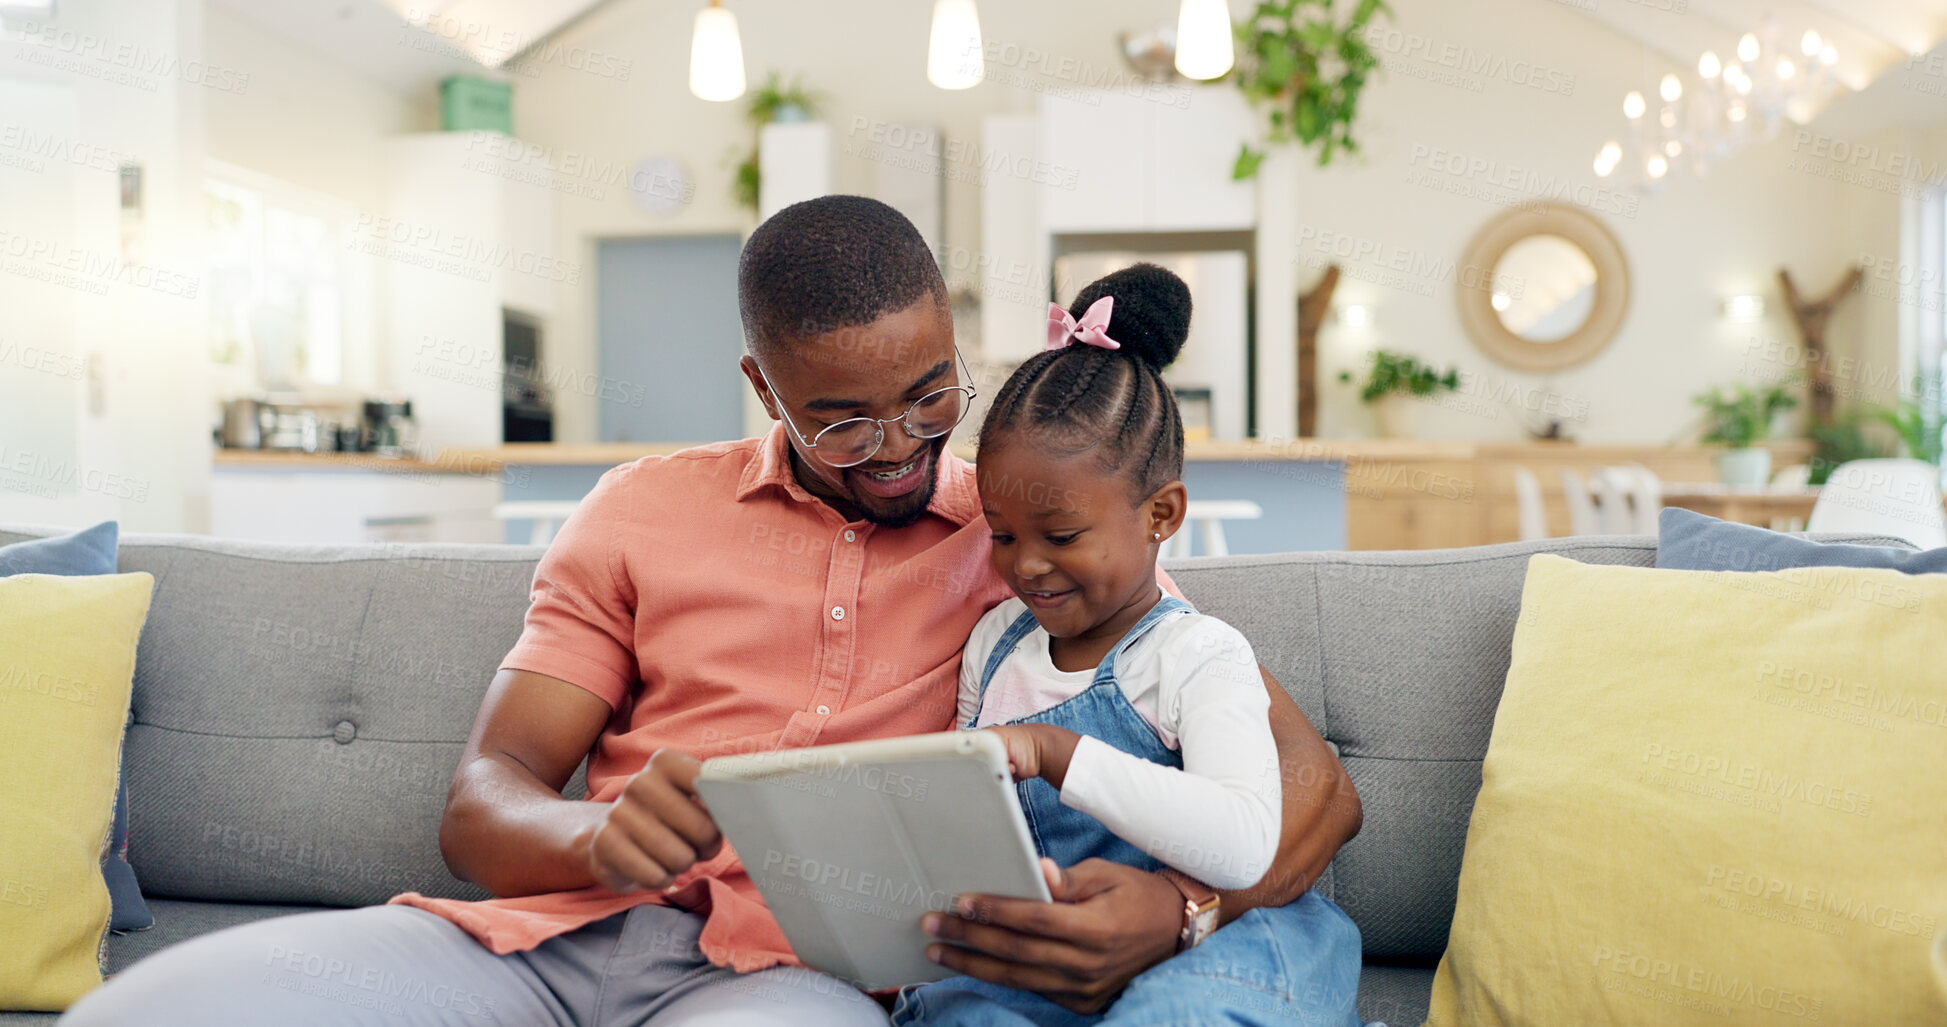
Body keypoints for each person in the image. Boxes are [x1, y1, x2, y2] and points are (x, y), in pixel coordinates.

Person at [59, 197, 1360, 1027]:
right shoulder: (638, 508)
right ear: (762, 384)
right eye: (841, 418)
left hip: (793, 980)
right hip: (544, 941)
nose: (899, 448)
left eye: (928, 395)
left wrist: (1187, 913)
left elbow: (1304, 788)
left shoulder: (1027, 529)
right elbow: (484, 799)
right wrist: (590, 832)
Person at [891, 264, 1364, 1026]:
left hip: (1231, 943)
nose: (1026, 564)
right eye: (1003, 536)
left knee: (1172, 1012)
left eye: (1063, 535)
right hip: (1072, 947)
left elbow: (1241, 845)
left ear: (1161, 514)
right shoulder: (993, 646)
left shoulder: (1197, 654)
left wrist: (1054, 750)